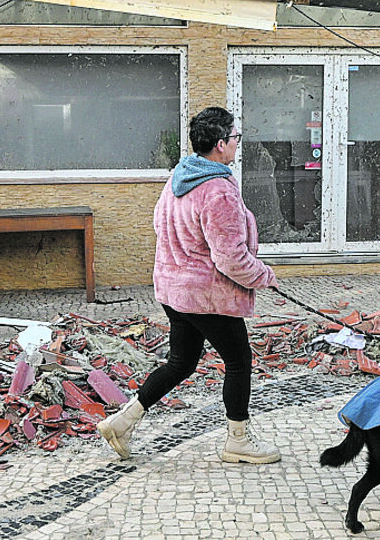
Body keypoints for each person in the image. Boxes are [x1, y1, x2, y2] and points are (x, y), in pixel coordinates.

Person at [97, 106, 281, 464]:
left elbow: (159, 226)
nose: (238, 145)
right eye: (235, 138)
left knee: (181, 362)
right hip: (205, 295)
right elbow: (229, 257)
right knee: (239, 361)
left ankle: (122, 422)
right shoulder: (217, 191)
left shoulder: (179, 177)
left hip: (174, 290)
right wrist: (264, 275)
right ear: (219, 144)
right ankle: (238, 441)